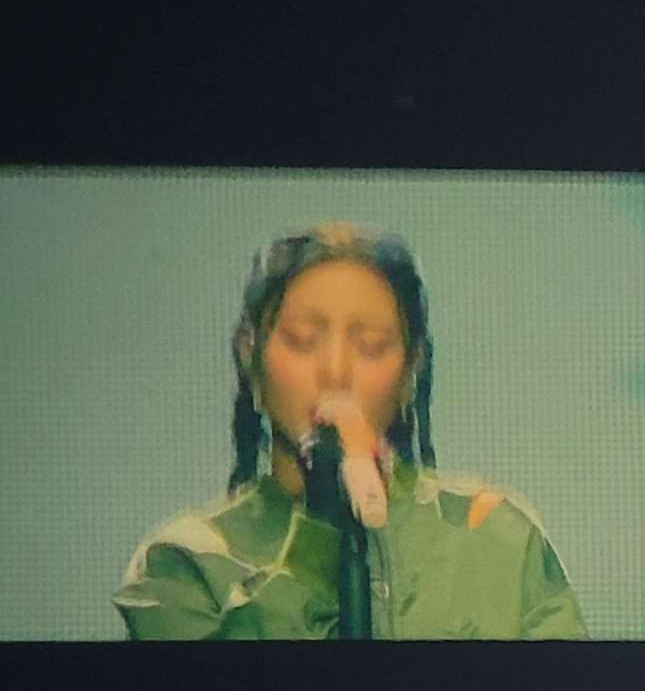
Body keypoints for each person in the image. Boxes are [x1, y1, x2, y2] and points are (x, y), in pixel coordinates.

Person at [116, 225, 588, 639]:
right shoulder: (183, 563)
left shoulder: (495, 535)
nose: (335, 371)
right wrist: (321, 523)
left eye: (370, 345)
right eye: (303, 340)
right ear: (250, 354)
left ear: (410, 371)